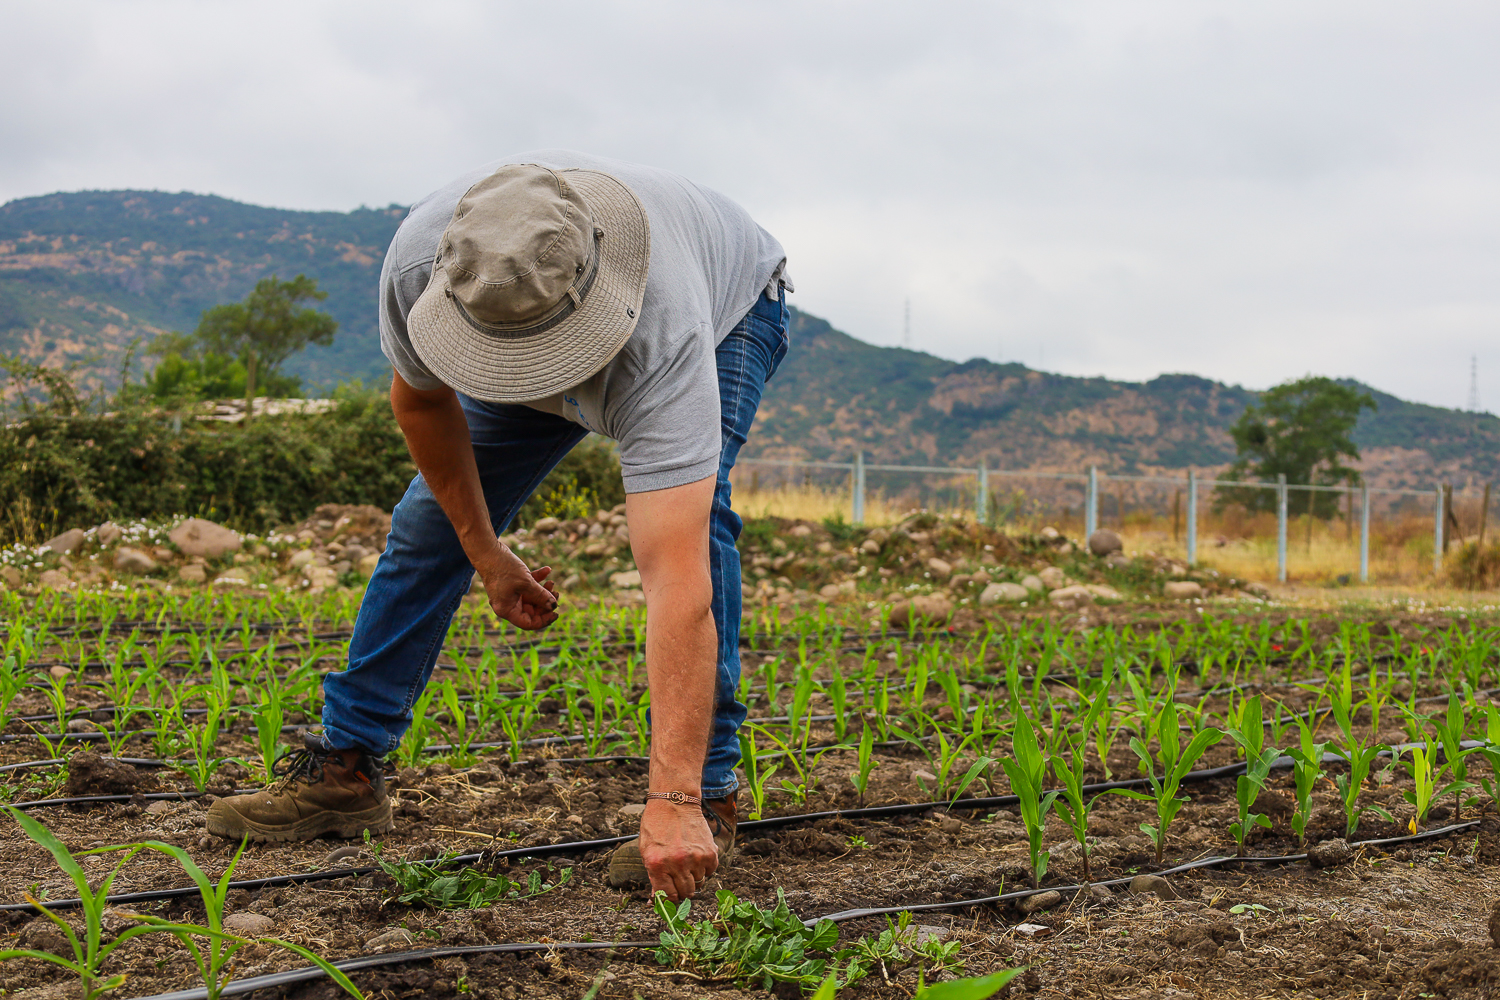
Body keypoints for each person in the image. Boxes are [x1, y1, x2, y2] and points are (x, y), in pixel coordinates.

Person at [207, 151, 792, 903]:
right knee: (428, 522)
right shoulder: (423, 269)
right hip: (530, 308)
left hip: (731, 307)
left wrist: (669, 797)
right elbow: (422, 405)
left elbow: (677, 582)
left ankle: (703, 799)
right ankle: (346, 767)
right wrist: (485, 552)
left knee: (698, 524)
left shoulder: (664, 329)